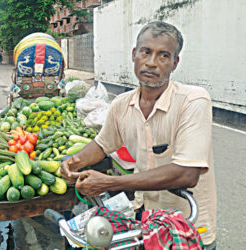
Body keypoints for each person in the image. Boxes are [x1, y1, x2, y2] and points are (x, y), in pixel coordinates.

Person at [61, 21, 216, 249]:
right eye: (146, 52)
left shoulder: (193, 101)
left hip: (189, 227)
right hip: (148, 223)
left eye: (163, 55)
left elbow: (187, 174)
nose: (152, 63)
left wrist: (109, 182)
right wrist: (73, 162)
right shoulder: (122, 105)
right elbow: (102, 144)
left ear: (175, 63)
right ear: (135, 55)